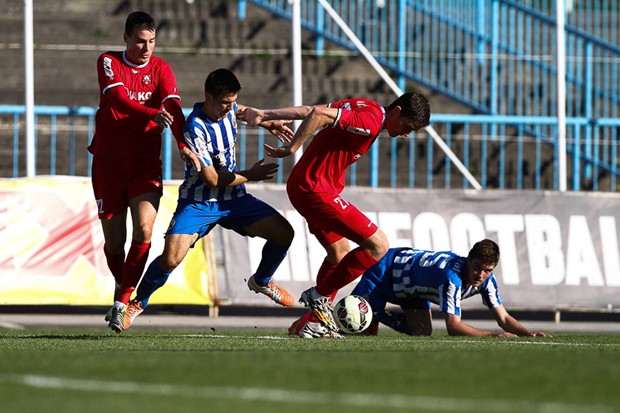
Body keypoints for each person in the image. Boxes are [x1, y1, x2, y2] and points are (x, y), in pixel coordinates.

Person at [117, 68, 297, 332]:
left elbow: (244, 111)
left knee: (284, 233)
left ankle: (262, 280)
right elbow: (212, 179)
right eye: (224, 102)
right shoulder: (194, 128)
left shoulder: (229, 107)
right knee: (170, 259)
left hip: (234, 200)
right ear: (208, 97)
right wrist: (251, 175)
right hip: (199, 202)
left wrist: (270, 123)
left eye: (232, 102)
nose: (229, 108)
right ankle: (137, 303)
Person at [241, 92, 431, 337]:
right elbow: (319, 114)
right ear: (396, 111)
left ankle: (313, 324)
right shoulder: (371, 121)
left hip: (311, 186)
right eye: (408, 126)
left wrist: (266, 114)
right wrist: (292, 147)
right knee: (378, 245)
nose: (406, 133)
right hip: (314, 189)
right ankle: (319, 298)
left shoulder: (367, 106)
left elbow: (311, 108)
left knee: (339, 252)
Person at [88, 11, 201, 333]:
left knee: (145, 230)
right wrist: (153, 112)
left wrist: (182, 143)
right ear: (126, 38)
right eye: (139, 40)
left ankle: (122, 302)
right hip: (108, 162)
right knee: (114, 243)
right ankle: (121, 285)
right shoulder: (109, 61)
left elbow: (174, 108)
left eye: (151, 41)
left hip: (144, 162)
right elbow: (118, 100)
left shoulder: (162, 68)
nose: (146, 48)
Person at [291, 239, 552, 338]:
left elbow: (504, 318)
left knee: (422, 333)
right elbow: (453, 326)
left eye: (487, 271)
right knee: (358, 329)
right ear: (468, 258)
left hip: (410, 289)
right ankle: (304, 324)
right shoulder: (452, 277)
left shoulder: (486, 281)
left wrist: (528, 333)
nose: (480, 275)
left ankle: (377, 314)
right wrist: (492, 336)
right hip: (385, 271)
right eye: (477, 268)